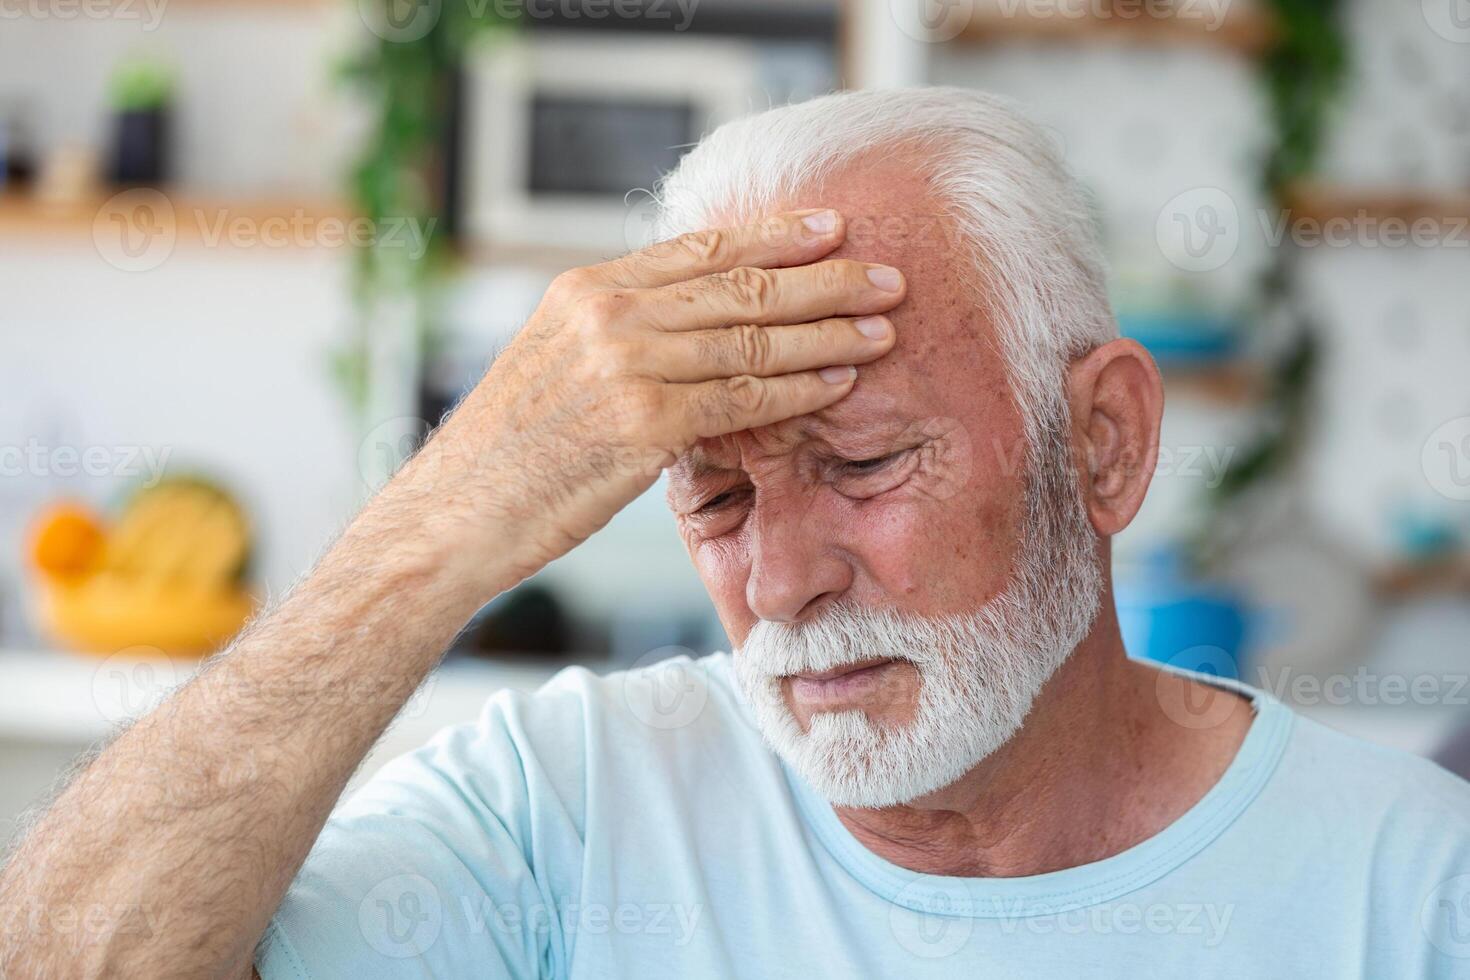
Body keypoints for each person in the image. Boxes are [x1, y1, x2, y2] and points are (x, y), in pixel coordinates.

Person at [3, 88, 1468, 979]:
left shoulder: (1416, 892)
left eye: (862, 461)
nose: (779, 581)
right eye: (711, 495)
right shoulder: (559, 814)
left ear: (1100, 444)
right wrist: (440, 518)